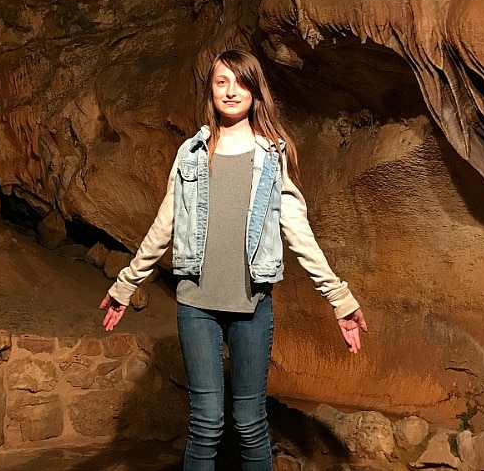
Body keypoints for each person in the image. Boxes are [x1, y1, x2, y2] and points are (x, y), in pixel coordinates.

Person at [100, 49, 367, 471]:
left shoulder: (271, 156)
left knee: (249, 422)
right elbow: (163, 225)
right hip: (197, 307)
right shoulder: (191, 153)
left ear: (255, 91)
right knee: (206, 423)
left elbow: (298, 230)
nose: (230, 90)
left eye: (240, 82)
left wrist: (339, 297)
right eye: (221, 81)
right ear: (211, 88)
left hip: (252, 308)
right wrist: (126, 284)